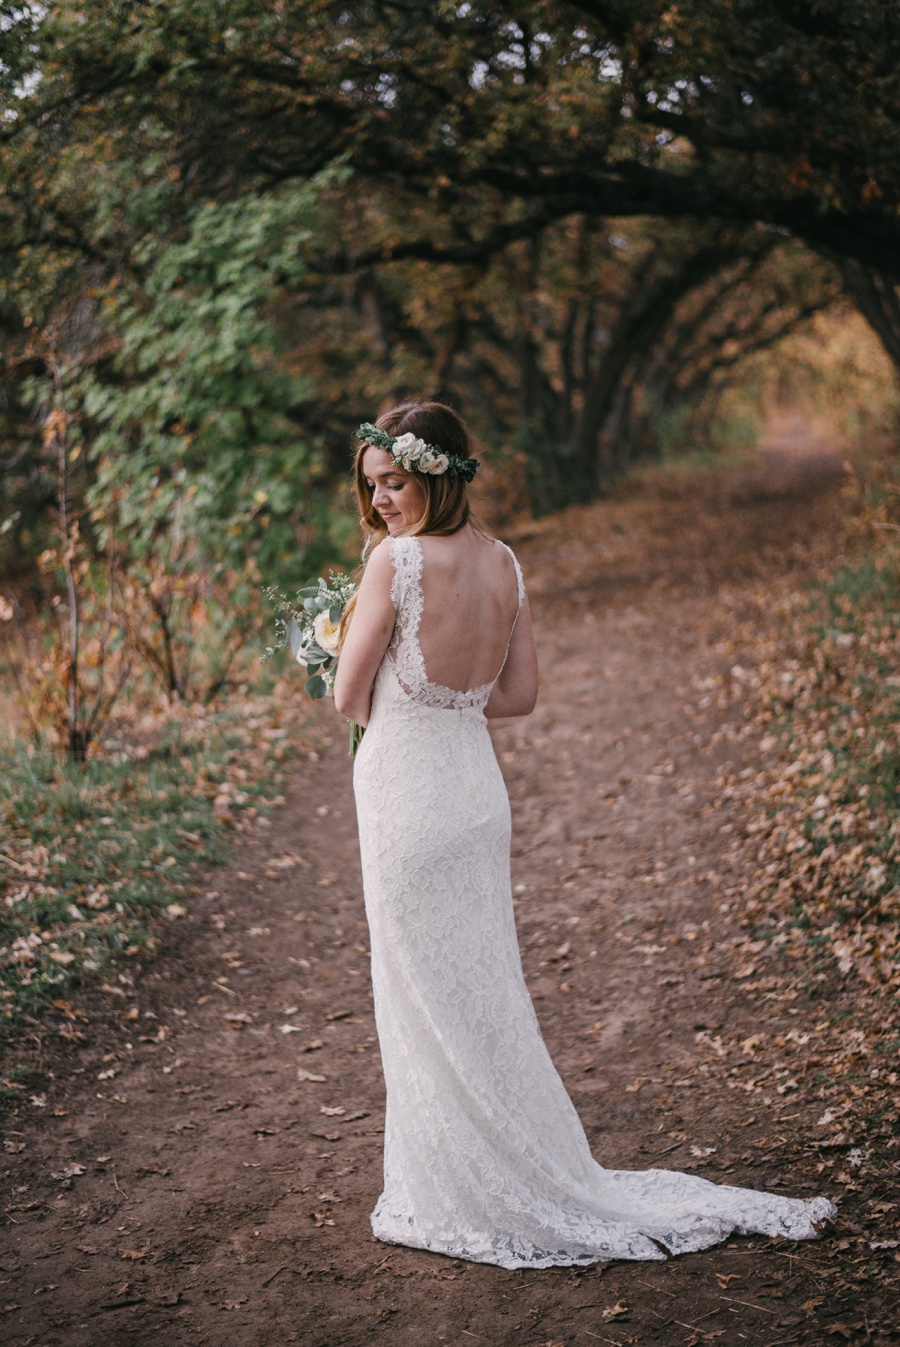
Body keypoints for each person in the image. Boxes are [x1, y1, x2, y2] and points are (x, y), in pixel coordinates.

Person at [333, 399, 835, 1269]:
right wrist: (450, 700)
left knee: (423, 996)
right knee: (480, 988)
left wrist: (346, 656)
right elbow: (519, 695)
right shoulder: (504, 562)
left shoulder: (395, 563)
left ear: (435, 477)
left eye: (396, 483)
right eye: (374, 487)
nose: (381, 501)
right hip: (474, 794)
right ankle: (509, 1162)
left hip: (407, 797)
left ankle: (458, 1184)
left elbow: (348, 697)